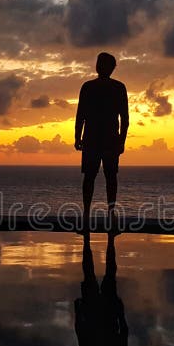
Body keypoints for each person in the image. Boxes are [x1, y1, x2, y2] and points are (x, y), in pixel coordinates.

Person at [74, 52, 129, 229]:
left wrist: (77, 136)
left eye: (101, 63)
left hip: (99, 140)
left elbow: (80, 115)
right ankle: (101, 215)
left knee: (98, 178)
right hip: (102, 140)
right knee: (105, 178)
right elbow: (125, 119)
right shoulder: (115, 87)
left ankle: (90, 215)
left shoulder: (90, 87)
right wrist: (121, 141)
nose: (99, 66)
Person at [74, 231, 128, 346]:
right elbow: (80, 331)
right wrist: (78, 311)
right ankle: (91, 237)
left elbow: (124, 332)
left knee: (105, 272)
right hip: (99, 312)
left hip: (104, 312)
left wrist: (120, 312)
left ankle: (104, 237)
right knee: (94, 272)